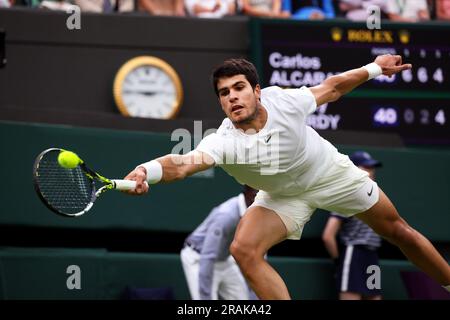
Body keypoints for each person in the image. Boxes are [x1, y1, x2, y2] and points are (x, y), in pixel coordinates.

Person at [124, 54, 450, 299]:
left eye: (239, 88)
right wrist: (146, 171)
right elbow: (181, 164)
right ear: (221, 103)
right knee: (244, 249)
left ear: (257, 91)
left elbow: (333, 88)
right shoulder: (221, 141)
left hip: (328, 174)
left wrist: (376, 68)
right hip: (282, 196)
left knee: (398, 231)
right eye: (224, 93)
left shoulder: (285, 102)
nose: (233, 97)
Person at [322, 151, 382, 300]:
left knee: (374, 296)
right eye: (366, 167)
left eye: (372, 167)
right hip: (353, 255)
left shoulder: (378, 196)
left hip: (372, 256)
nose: (371, 171)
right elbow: (328, 236)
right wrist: (338, 262)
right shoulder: (346, 196)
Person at [181, 185, 258, 300]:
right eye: (256, 193)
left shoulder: (255, 213)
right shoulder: (227, 215)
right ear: (246, 191)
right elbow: (208, 255)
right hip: (199, 257)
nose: (259, 198)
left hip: (224, 260)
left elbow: (257, 255)